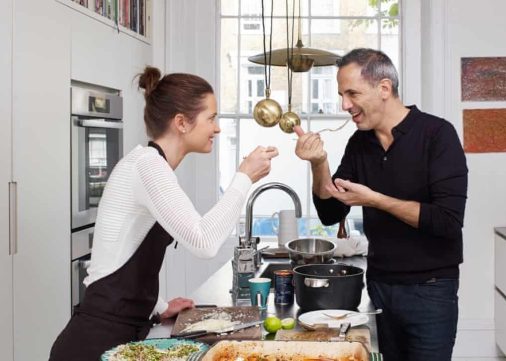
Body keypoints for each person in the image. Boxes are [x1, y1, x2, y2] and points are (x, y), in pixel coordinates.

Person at [49, 67, 279, 360]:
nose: (217, 128)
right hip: (93, 345)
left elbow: (118, 253)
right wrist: (244, 176)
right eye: (211, 118)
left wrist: (157, 307)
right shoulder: (147, 167)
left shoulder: (151, 167)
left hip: (120, 337)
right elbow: (204, 241)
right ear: (182, 122)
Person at [294, 48, 468, 361]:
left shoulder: (437, 135)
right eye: (341, 94)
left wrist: (374, 200)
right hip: (381, 286)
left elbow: (447, 221)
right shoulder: (360, 143)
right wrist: (319, 162)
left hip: (431, 290)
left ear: (384, 88)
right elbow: (331, 212)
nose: (345, 105)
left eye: (352, 93)